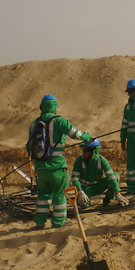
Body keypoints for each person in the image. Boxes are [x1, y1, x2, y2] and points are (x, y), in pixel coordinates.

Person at [29, 94, 93, 228]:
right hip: (57, 167)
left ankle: (40, 222)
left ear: (42, 107)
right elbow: (76, 134)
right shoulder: (59, 121)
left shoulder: (34, 124)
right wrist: (89, 137)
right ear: (55, 106)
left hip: (40, 168)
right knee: (59, 195)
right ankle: (57, 223)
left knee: (43, 195)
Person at [71, 139, 130, 209]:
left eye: (87, 150)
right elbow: (74, 178)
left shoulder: (102, 160)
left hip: (98, 186)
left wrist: (117, 193)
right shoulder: (79, 160)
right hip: (85, 188)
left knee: (116, 176)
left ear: (95, 151)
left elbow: (111, 176)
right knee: (83, 204)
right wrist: (80, 191)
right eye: (84, 150)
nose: (85, 153)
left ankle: (108, 199)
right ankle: (85, 200)